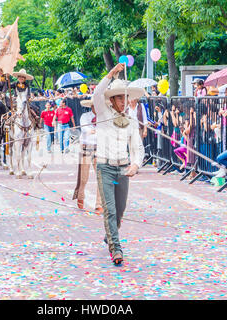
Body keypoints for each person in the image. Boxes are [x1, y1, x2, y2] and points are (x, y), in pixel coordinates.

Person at [93, 63, 144, 265]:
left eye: (125, 97)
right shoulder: (103, 114)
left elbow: (137, 147)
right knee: (110, 210)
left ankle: (110, 232)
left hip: (123, 169)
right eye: (119, 98)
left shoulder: (131, 121)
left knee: (120, 210)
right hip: (104, 167)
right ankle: (116, 248)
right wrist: (111, 73)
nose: (123, 102)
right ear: (112, 100)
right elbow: (97, 94)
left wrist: (136, 165)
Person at [72, 98, 103, 214]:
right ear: (92, 106)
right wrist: (94, 130)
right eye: (95, 105)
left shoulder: (104, 118)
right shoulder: (85, 116)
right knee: (84, 177)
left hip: (99, 148)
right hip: (86, 147)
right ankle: (80, 195)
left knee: (101, 176)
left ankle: (99, 203)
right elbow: (85, 128)